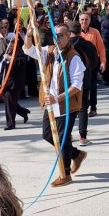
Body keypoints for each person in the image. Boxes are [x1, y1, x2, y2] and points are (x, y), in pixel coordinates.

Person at [24, 20, 85, 187]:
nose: (56, 38)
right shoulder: (49, 51)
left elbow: (77, 85)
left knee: (63, 138)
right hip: (50, 103)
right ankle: (76, 154)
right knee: (47, 134)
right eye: (54, 35)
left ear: (68, 36)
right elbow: (29, 50)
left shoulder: (74, 57)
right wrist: (29, 34)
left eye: (60, 35)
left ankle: (65, 173)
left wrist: (57, 98)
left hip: (66, 104)